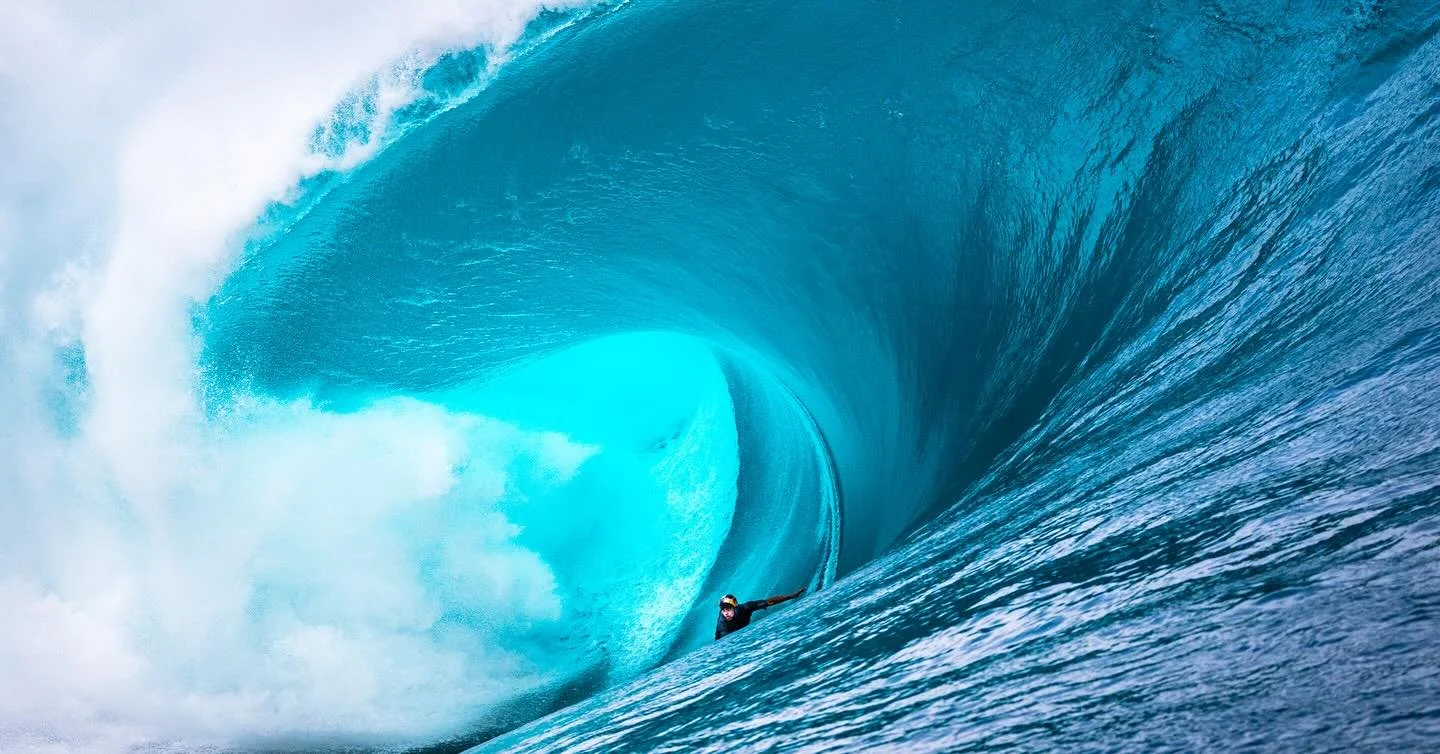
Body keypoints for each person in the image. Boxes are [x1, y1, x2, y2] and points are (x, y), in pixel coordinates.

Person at [715, 587, 806, 640]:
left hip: (743, 624)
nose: (726, 613)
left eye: (728, 609)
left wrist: (791, 596)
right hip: (730, 632)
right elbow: (721, 640)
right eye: (723, 610)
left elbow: (769, 601)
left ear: (735, 607)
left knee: (761, 604)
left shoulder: (746, 608)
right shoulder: (723, 624)